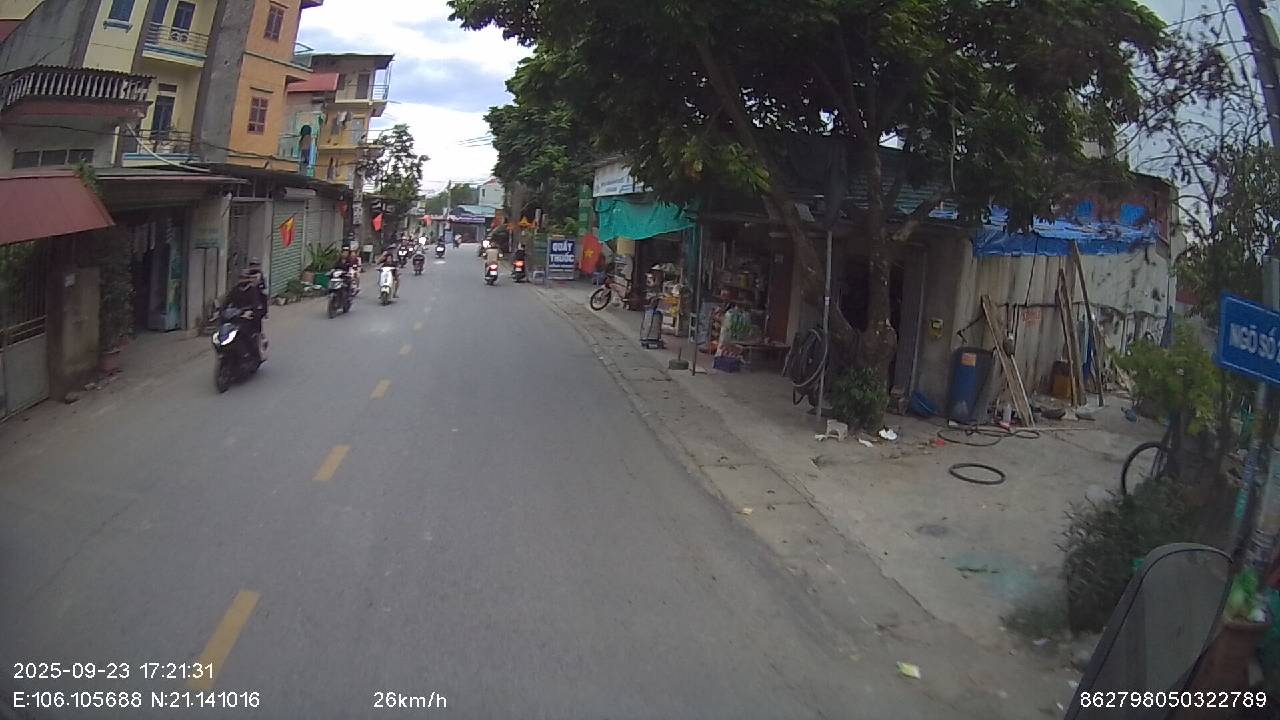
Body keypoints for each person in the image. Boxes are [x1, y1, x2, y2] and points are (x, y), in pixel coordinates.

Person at [222, 269, 265, 361]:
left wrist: (251, 311)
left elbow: (256, 304)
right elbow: (226, 302)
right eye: (241, 278)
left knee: (244, 332)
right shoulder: (235, 290)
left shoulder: (252, 290)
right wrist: (221, 311)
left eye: (244, 278)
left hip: (248, 318)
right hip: (235, 317)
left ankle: (248, 354)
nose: (242, 280)